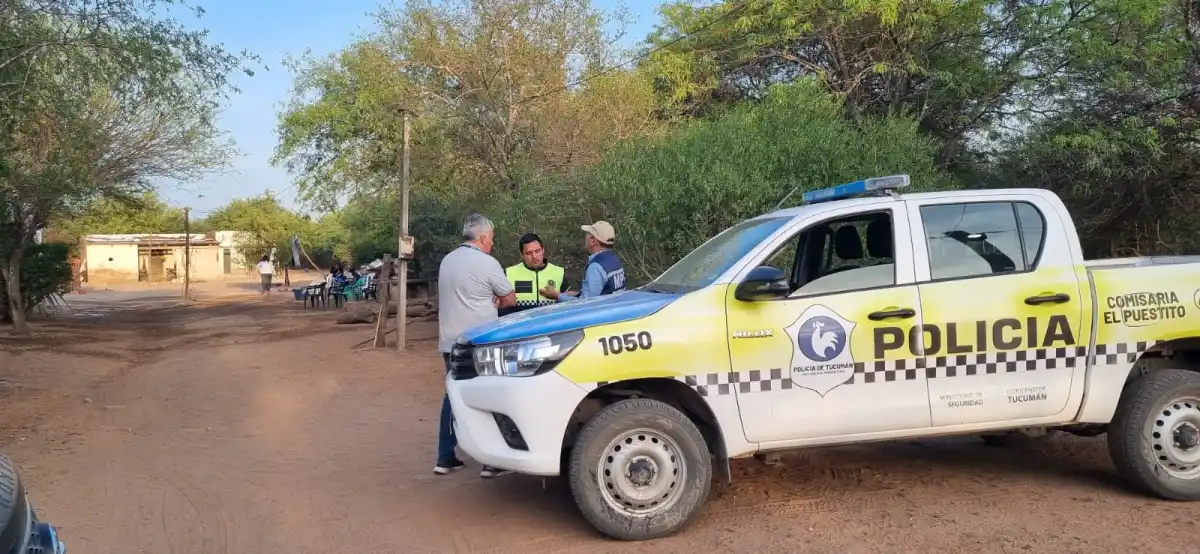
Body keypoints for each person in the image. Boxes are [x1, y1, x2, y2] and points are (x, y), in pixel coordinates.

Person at [435, 213, 517, 478]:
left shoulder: (447, 261)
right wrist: (494, 298)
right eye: (491, 239)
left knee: (452, 396)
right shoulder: (487, 263)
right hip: (481, 343)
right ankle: (491, 461)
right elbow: (510, 300)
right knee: (488, 397)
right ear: (482, 237)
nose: (492, 243)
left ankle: (445, 456)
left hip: (450, 342)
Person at [539, 220, 625, 302]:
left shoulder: (596, 267)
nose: (585, 237)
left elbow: (586, 303)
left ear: (592, 240)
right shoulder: (614, 260)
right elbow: (604, 291)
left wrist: (557, 296)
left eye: (588, 234)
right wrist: (576, 294)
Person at [500, 233, 570, 316]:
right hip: (521, 325)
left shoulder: (559, 272)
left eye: (537, 251)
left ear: (543, 250)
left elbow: (568, 304)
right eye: (528, 253)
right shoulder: (509, 273)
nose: (534, 256)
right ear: (521, 255)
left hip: (551, 325)